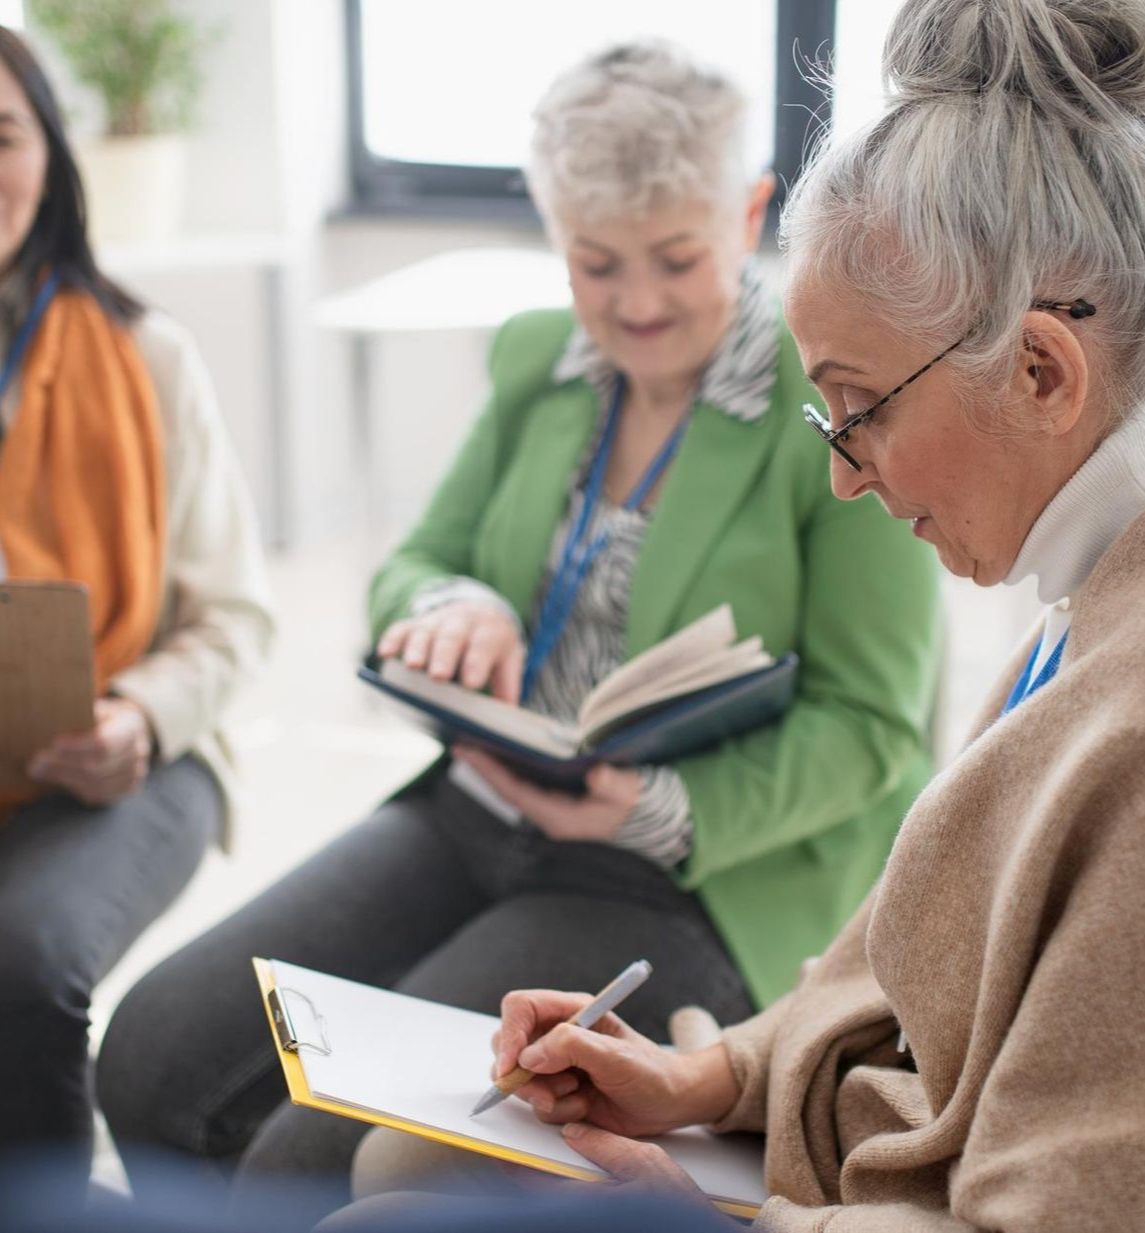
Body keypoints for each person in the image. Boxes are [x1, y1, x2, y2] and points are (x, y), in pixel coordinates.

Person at [346, 1, 1145, 1228]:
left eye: (859, 408)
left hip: (729, 928)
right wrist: (704, 1076)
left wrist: (702, 1212)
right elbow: (919, 969)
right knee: (386, 1155)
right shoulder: (1074, 598)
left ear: (1041, 371)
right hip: (802, 1073)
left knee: (388, 1189)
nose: (843, 472)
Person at [96, 40, 940, 1201]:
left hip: (684, 879)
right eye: (596, 264)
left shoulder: (827, 405)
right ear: (554, 238)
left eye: (676, 258)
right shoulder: (540, 357)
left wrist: (642, 806)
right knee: (149, 1054)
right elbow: (419, 563)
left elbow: (875, 729)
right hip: (484, 806)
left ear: (750, 214)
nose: (634, 304)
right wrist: (457, 603)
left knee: (315, 1151)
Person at [0, 10, 274, 1227]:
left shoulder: (145, 358)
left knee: (12, 973)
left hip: (120, 765)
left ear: (49, 160)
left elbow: (234, 620)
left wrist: (139, 716)